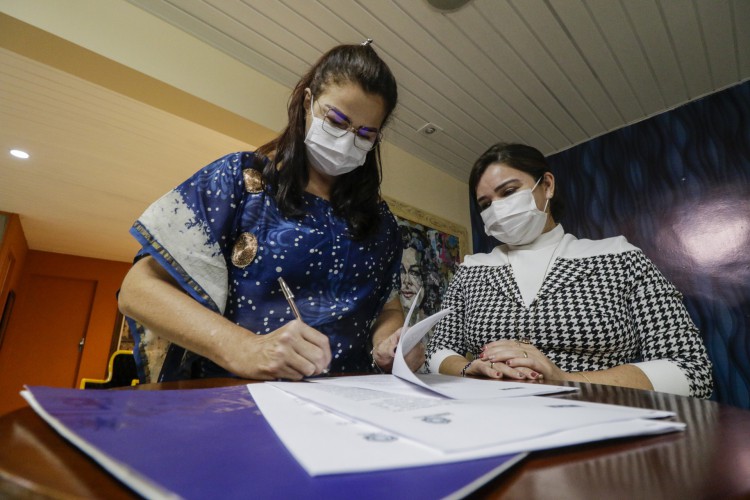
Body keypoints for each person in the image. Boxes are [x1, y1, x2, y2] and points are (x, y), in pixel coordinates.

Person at [118, 41, 424, 383]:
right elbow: (138, 289)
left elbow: (388, 307)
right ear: (308, 103)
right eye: (337, 121)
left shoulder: (380, 221)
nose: (347, 142)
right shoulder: (240, 180)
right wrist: (244, 348)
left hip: (353, 404)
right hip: (242, 399)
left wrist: (392, 342)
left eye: (366, 135)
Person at [426, 143, 713, 398]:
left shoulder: (619, 258)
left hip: (602, 421)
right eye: (486, 204)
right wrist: (467, 369)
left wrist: (566, 380)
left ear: (547, 185)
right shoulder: (472, 270)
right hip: (495, 420)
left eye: (509, 192)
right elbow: (438, 350)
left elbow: (691, 370)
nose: (498, 209)